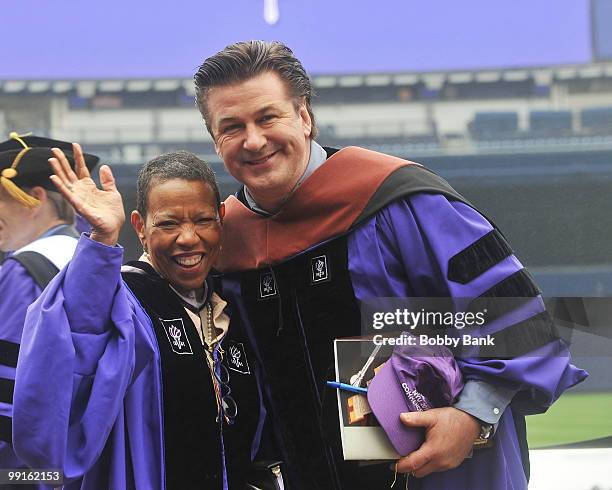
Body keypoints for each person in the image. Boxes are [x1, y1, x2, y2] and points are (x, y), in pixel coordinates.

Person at [193, 40, 587, 490]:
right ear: (215, 140)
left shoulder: (400, 202)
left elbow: (515, 318)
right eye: (232, 126)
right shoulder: (229, 246)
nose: (254, 140)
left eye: (268, 117)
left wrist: (474, 414)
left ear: (304, 117)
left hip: (439, 473)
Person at [13, 148, 265, 489]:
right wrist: (101, 243)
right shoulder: (124, 301)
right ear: (140, 227)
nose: (188, 238)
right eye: (168, 223)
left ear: (221, 218)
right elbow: (75, 343)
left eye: (203, 220)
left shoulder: (233, 302)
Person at [0, 133, 99, 481]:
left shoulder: (22, 272)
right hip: (90, 459)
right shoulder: (96, 261)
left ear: (35, 197)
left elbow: (8, 395)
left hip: (26, 472)